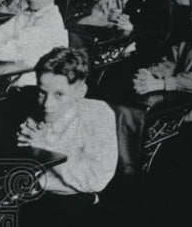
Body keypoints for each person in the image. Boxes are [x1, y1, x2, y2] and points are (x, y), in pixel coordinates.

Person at [16, 46, 118, 200]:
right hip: (32, 190)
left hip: (73, 198)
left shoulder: (98, 114)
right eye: (42, 92)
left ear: (80, 92)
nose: (47, 104)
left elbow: (95, 180)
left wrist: (47, 149)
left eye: (59, 94)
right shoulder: (35, 106)